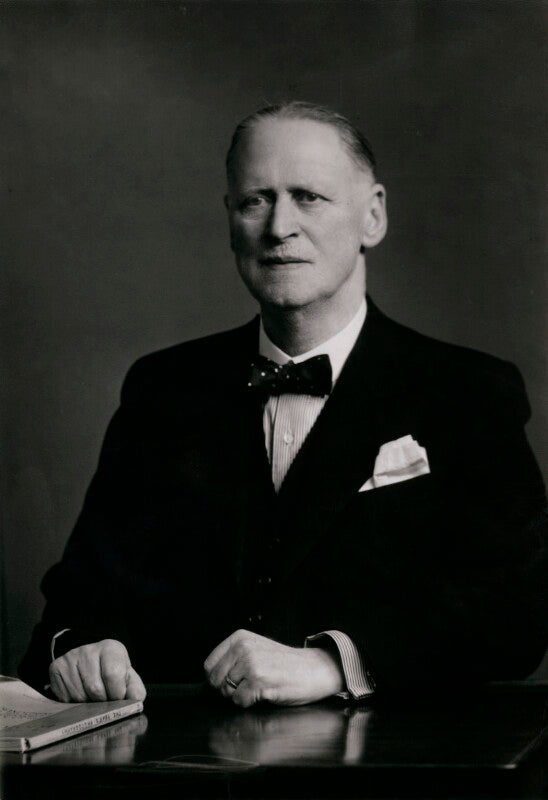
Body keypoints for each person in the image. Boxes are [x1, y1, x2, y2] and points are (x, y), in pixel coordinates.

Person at [19, 102, 548, 707]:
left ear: (373, 216)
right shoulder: (162, 388)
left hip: (390, 759)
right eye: (255, 201)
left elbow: (520, 612)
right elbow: (77, 601)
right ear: (230, 220)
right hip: (185, 759)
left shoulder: (469, 391)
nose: (278, 228)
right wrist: (81, 649)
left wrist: (334, 665)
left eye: (308, 198)